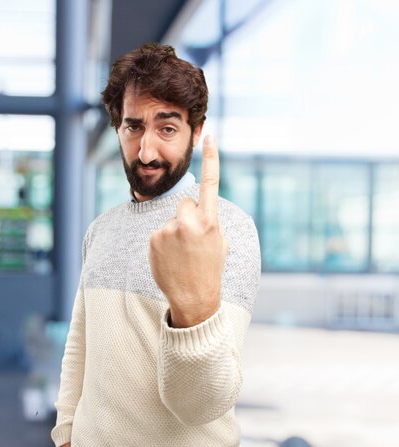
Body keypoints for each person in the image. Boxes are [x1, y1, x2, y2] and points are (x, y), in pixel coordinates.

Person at [51, 43, 261, 447]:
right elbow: (80, 345)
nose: (146, 151)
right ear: (117, 128)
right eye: (133, 127)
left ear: (195, 133)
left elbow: (203, 403)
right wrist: (66, 434)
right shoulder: (102, 229)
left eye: (167, 128)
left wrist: (193, 305)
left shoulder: (227, 229)